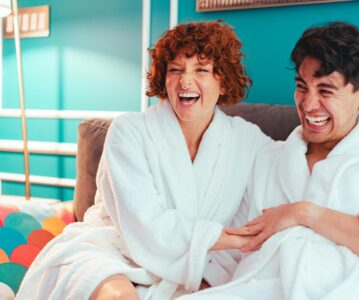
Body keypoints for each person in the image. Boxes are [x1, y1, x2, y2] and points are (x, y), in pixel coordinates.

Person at [180, 21, 359, 300]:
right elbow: (233, 251)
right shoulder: (269, 159)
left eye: (325, 91)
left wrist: (304, 214)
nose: (308, 104)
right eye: (302, 87)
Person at [16, 21, 272, 300]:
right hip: (115, 248)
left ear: (223, 81)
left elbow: (292, 170)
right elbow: (144, 223)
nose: (185, 81)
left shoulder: (247, 140)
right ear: (163, 77)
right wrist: (223, 238)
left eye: (201, 69)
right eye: (175, 70)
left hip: (198, 262)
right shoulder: (129, 131)